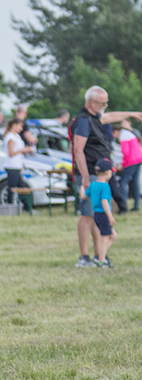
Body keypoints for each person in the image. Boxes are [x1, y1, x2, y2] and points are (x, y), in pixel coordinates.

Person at [72, 85, 142, 268]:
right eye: (102, 103)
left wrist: (132, 114)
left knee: (97, 214)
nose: (105, 106)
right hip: (90, 174)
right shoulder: (83, 121)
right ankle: (83, 257)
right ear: (91, 103)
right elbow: (78, 150)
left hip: (99, 174)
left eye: (106, 103)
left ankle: (99, 255)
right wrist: (86, 178)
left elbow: (111, 116)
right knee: (87, 215)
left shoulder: (95, 118)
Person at [80, 159, 117, 267]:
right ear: (107, 173)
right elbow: (105, 202)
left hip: (96, 214)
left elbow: (83, 196)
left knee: (113, 235)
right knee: (105, 238)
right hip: (104, 214)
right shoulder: (105, 186)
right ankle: (101, 260)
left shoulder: (93, 185)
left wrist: (82, 187)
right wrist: (110, 216)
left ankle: (101, 255)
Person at [3, 119, 35, 213]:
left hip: (17, 165)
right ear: (14, 125)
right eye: (20, 126)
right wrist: (23, 150)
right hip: (12, 166)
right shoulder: (10, 137)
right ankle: (9, 207)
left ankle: (27, 207)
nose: (21, 129)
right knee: (12, 187)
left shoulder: (16, 136)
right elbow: (11, 153)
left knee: (22, 187)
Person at [113, 119, 142, 212]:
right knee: (135, 183)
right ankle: (136, 206)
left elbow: (125, 152)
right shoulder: (128, 133)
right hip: (139, 159)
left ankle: (123, 206)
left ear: (116, 131)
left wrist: (123, 165)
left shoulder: (123, 135)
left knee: (123, 183)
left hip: (132, 161)